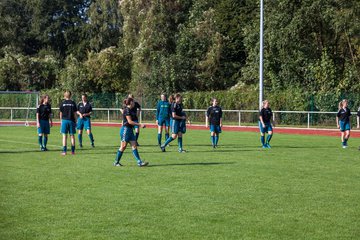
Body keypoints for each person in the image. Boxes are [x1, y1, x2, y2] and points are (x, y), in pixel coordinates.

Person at [114, 97, 148, 167]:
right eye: (133, 102)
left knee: (134, 145)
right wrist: (140, 125)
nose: (134, 103)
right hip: (125, 130)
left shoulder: (131, 110)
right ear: (131, 102)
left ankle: (139, 162)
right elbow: (129, 121)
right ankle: (116, 162)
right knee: (123, 146)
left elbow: (134, 119)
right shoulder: (126, 110)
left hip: (130, 130)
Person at [59, 91, 77, 155]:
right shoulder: (73, 103)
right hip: (71, 121)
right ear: (70, 95)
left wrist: (61, 121)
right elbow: (75, 113)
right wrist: (76, 121)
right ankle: (73, 151)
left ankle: (64, 151)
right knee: (72, 136)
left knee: (64, 136)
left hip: (64, 121)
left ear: (64, 96)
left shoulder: (62, 103)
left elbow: (60, 114)